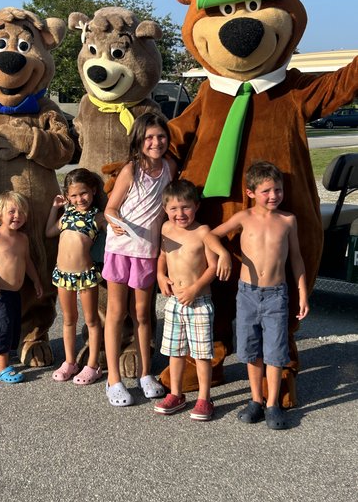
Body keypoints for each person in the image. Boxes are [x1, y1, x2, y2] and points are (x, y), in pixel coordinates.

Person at [206, 161, 309, 430]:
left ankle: (273, 403)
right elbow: (211, 236)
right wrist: (224, 254)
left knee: (275, 352)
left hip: (277, 295)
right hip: (247, 294)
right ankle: (255, 400)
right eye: (266, 191)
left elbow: (296, 259)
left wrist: (302, 293)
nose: (273, 195)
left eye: (277, 189)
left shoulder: (288, 220)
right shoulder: (243, 218)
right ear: (251, 192)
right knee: (251, 350)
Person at [103, 113, 177, 406]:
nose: (155, 142)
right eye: (149, 137)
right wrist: (114, 220)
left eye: (160, 136)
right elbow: (110, 207)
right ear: (138, 140)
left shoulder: (171, 167)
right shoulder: (131, 170)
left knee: (143, 315)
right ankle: (113, 380)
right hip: (120, 250)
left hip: (148, 253)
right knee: (116, 313)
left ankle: (146, 374)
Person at [155, 180, 231, 419]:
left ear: (196, 206)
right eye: (174, 208)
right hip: (175, 302)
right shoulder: (166, 228)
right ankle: (176, 394)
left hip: (198, 302)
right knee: (174, 351)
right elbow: (163, 254)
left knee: (201, 353)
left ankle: (204, 398)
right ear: (166, 208)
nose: (180, 213)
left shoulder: (202, 233)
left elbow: (213, 265)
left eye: (186, 207)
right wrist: (160, 275)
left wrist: (196, 288)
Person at [45, 168, 107, 384]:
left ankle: (93, 365)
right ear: (67, 197)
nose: (79, 199)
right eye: (74, 195)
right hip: (63, 275)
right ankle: (70, 362)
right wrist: (55, 209)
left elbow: (114, 233)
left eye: (84, 193)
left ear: (93, 191)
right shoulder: (67, 213)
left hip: (86, 275)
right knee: (69, 319)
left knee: (91, 320)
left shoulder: (98, 216)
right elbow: (49, 232)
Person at [0, 191, 43, 383]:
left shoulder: (23, 238)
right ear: (0, 214)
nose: (17, 216)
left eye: (21, 212)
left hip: (15, 294)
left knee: (10, 328)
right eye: (11, 211)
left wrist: (36, 280)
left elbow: (27, 261)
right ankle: (2, 368)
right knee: (1, 328)